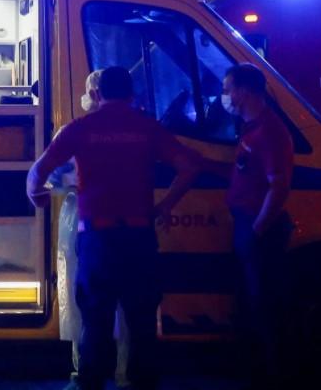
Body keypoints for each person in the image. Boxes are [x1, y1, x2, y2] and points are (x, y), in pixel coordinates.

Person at [28, 66, 204, 390]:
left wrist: (36, 196)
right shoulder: (148, 128)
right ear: (132, 94)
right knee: (140, 319)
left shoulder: (80, 128)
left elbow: (38, 171)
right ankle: (140, 382)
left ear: (97, 94)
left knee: (95, 318)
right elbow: (189, 166)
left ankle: (90, 382)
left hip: (98, 239)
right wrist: (166, 205)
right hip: (139, 237)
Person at [54, 71, 130, 388]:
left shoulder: (76, 132)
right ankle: (126, 374)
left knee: (85, 304)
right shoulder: (137, 128)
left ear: (96, 93)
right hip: (129, 225)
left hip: (84, 224)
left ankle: (85, 373)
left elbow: (52, 180)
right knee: (127, 310)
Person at [222, 63, 294, 389]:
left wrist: (257, 231)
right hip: (246, 224)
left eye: (229, 88)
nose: (226, 96)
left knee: (265, 305)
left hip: (258, 229)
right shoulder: (251, 128)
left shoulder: (269, 132)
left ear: (247, 91)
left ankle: (272, 376)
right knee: (253, 302)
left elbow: (278, 187)